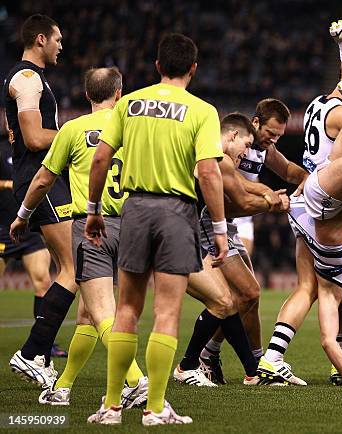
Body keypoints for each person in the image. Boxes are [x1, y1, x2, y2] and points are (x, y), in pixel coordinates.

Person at [86, 33, 227, 426]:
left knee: (127, 309)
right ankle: (155, 409)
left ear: (157, 67)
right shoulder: (202, 110)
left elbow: (100, 159)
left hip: (133, 210)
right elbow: (208, 172)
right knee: (167, 313)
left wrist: (94, 210)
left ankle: (111, 406)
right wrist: (218, 228)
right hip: (177, 213)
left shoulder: (128, 103)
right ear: (193, 69)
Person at [11, 67, 149, 407]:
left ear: (87, 95)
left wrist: (22, 216)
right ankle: (63, 387)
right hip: (132, 226)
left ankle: (135, 379)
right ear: (119, 93)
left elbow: (42, 180)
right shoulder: (134, 127)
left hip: (91, 227)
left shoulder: (72, 129)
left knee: (101, 311)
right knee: (89, 311)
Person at [257, 50, 342, 386]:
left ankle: (275, 357)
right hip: (326, 205)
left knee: (311, 288)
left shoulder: (316, 105)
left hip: (304, 210)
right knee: (337, 284)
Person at [175, 113, 290, 387]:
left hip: (182, 229)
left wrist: (266, 192)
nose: (247, 152)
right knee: (234, 297)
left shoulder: (212, 154)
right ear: (233, 136)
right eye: (247, 144)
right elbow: (240, 201)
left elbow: (243, 186)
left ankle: (242, 368)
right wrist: (272, 204)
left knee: (228, 300)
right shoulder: (218, 156)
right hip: (186, 231)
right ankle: (198, 363)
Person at [200, 99, 309, 382]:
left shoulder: (264, 149)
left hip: (234, 220)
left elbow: (288, 171)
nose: (273, 140)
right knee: (242, 294)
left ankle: (220, 357)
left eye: (279, 136)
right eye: (270, 133)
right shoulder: (228, 151)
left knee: (246, 297)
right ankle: (234, 362)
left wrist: (312, 180)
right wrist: (270, 200)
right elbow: (236, 197)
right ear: (256, 123)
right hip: (216, 220)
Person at [4, 14, 78, 388]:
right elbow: (33, 138)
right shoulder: (28, 78)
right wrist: (73, 133)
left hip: (43, 180)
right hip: (41, 180)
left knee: (75, 270)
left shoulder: (30, 79)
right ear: (40, 40)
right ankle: (33, 353)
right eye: (57, 39)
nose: (61, 45)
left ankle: (37, 354)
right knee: (74, 269)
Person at [0, 145, 65, 357]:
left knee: (44, 282)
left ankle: (44, 343)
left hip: (28, 231)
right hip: (2, 229)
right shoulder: (2, 151)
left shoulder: (33, 155)